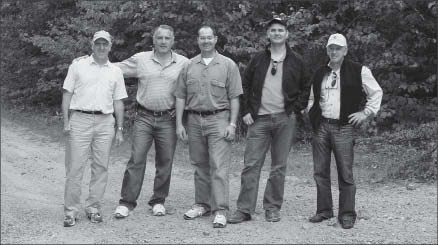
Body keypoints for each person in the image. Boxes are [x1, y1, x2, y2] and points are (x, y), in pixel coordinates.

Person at [228, 18, 310, 224]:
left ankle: (272, 207)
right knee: (251, 164)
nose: (276, 33)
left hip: (285, 119)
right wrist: (246, 110)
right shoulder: (258, 59)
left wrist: (296, 110)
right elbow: (244, 85)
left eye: (280, 30)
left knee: (279, 166)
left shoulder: (297, 60)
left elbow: (307, 87)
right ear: (268, 34)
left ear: (287, 34)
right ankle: (244, 209)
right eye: (273, 30)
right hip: (259, 120)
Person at [306, 33, 383, 229]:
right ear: (327, 50)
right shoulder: (320, 72)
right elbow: (313, 98)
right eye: (331, 48)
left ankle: (347, 214)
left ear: (345, 50)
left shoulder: (359, 70)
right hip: (321, 126)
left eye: (338, 48)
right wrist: (310, 111)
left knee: (345, 173)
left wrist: (365, 113)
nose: (334, 51)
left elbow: (376, 92)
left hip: (344, 127)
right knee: (320, 172)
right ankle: (324, 210)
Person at [113, 25, 189, 218]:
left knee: (165, 161)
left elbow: (199, 80)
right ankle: (127, 202)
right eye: (159, 38)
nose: (163, 41)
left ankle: (158, 201)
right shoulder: (141, 59)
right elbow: (114, 68)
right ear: (153, 40)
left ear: (173, 41)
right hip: (144, 117)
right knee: (136, 159)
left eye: (167, 38)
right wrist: (90, 61)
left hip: (169, 119)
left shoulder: (184, 63)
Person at [174, 25, 243, 228]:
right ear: (198, 40)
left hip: (219, 120)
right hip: (194, 120)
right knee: (199, 165)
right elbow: (180, 96)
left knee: (219, 166)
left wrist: (232, 123)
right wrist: (179, 123)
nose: (205, 41)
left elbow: (235, 97)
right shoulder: (189, 66)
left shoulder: (228, 65)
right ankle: (201, 204)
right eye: (202, 38)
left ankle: (221, 209)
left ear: (215, 39)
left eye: (209, 38)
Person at [62, 30, 127, 227]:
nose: (101, 47)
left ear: (110, 46)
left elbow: (118, 102)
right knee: (75, 167)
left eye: (104, 44)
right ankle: (71, 211)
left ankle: (93, 207)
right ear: (92, 45)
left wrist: (120, 128)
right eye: (97, 43)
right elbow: (67, 94)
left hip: (105, 122)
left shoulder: (115, 71)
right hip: (79, 119)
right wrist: (66, 122)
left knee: (101, 167)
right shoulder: (78, 65)